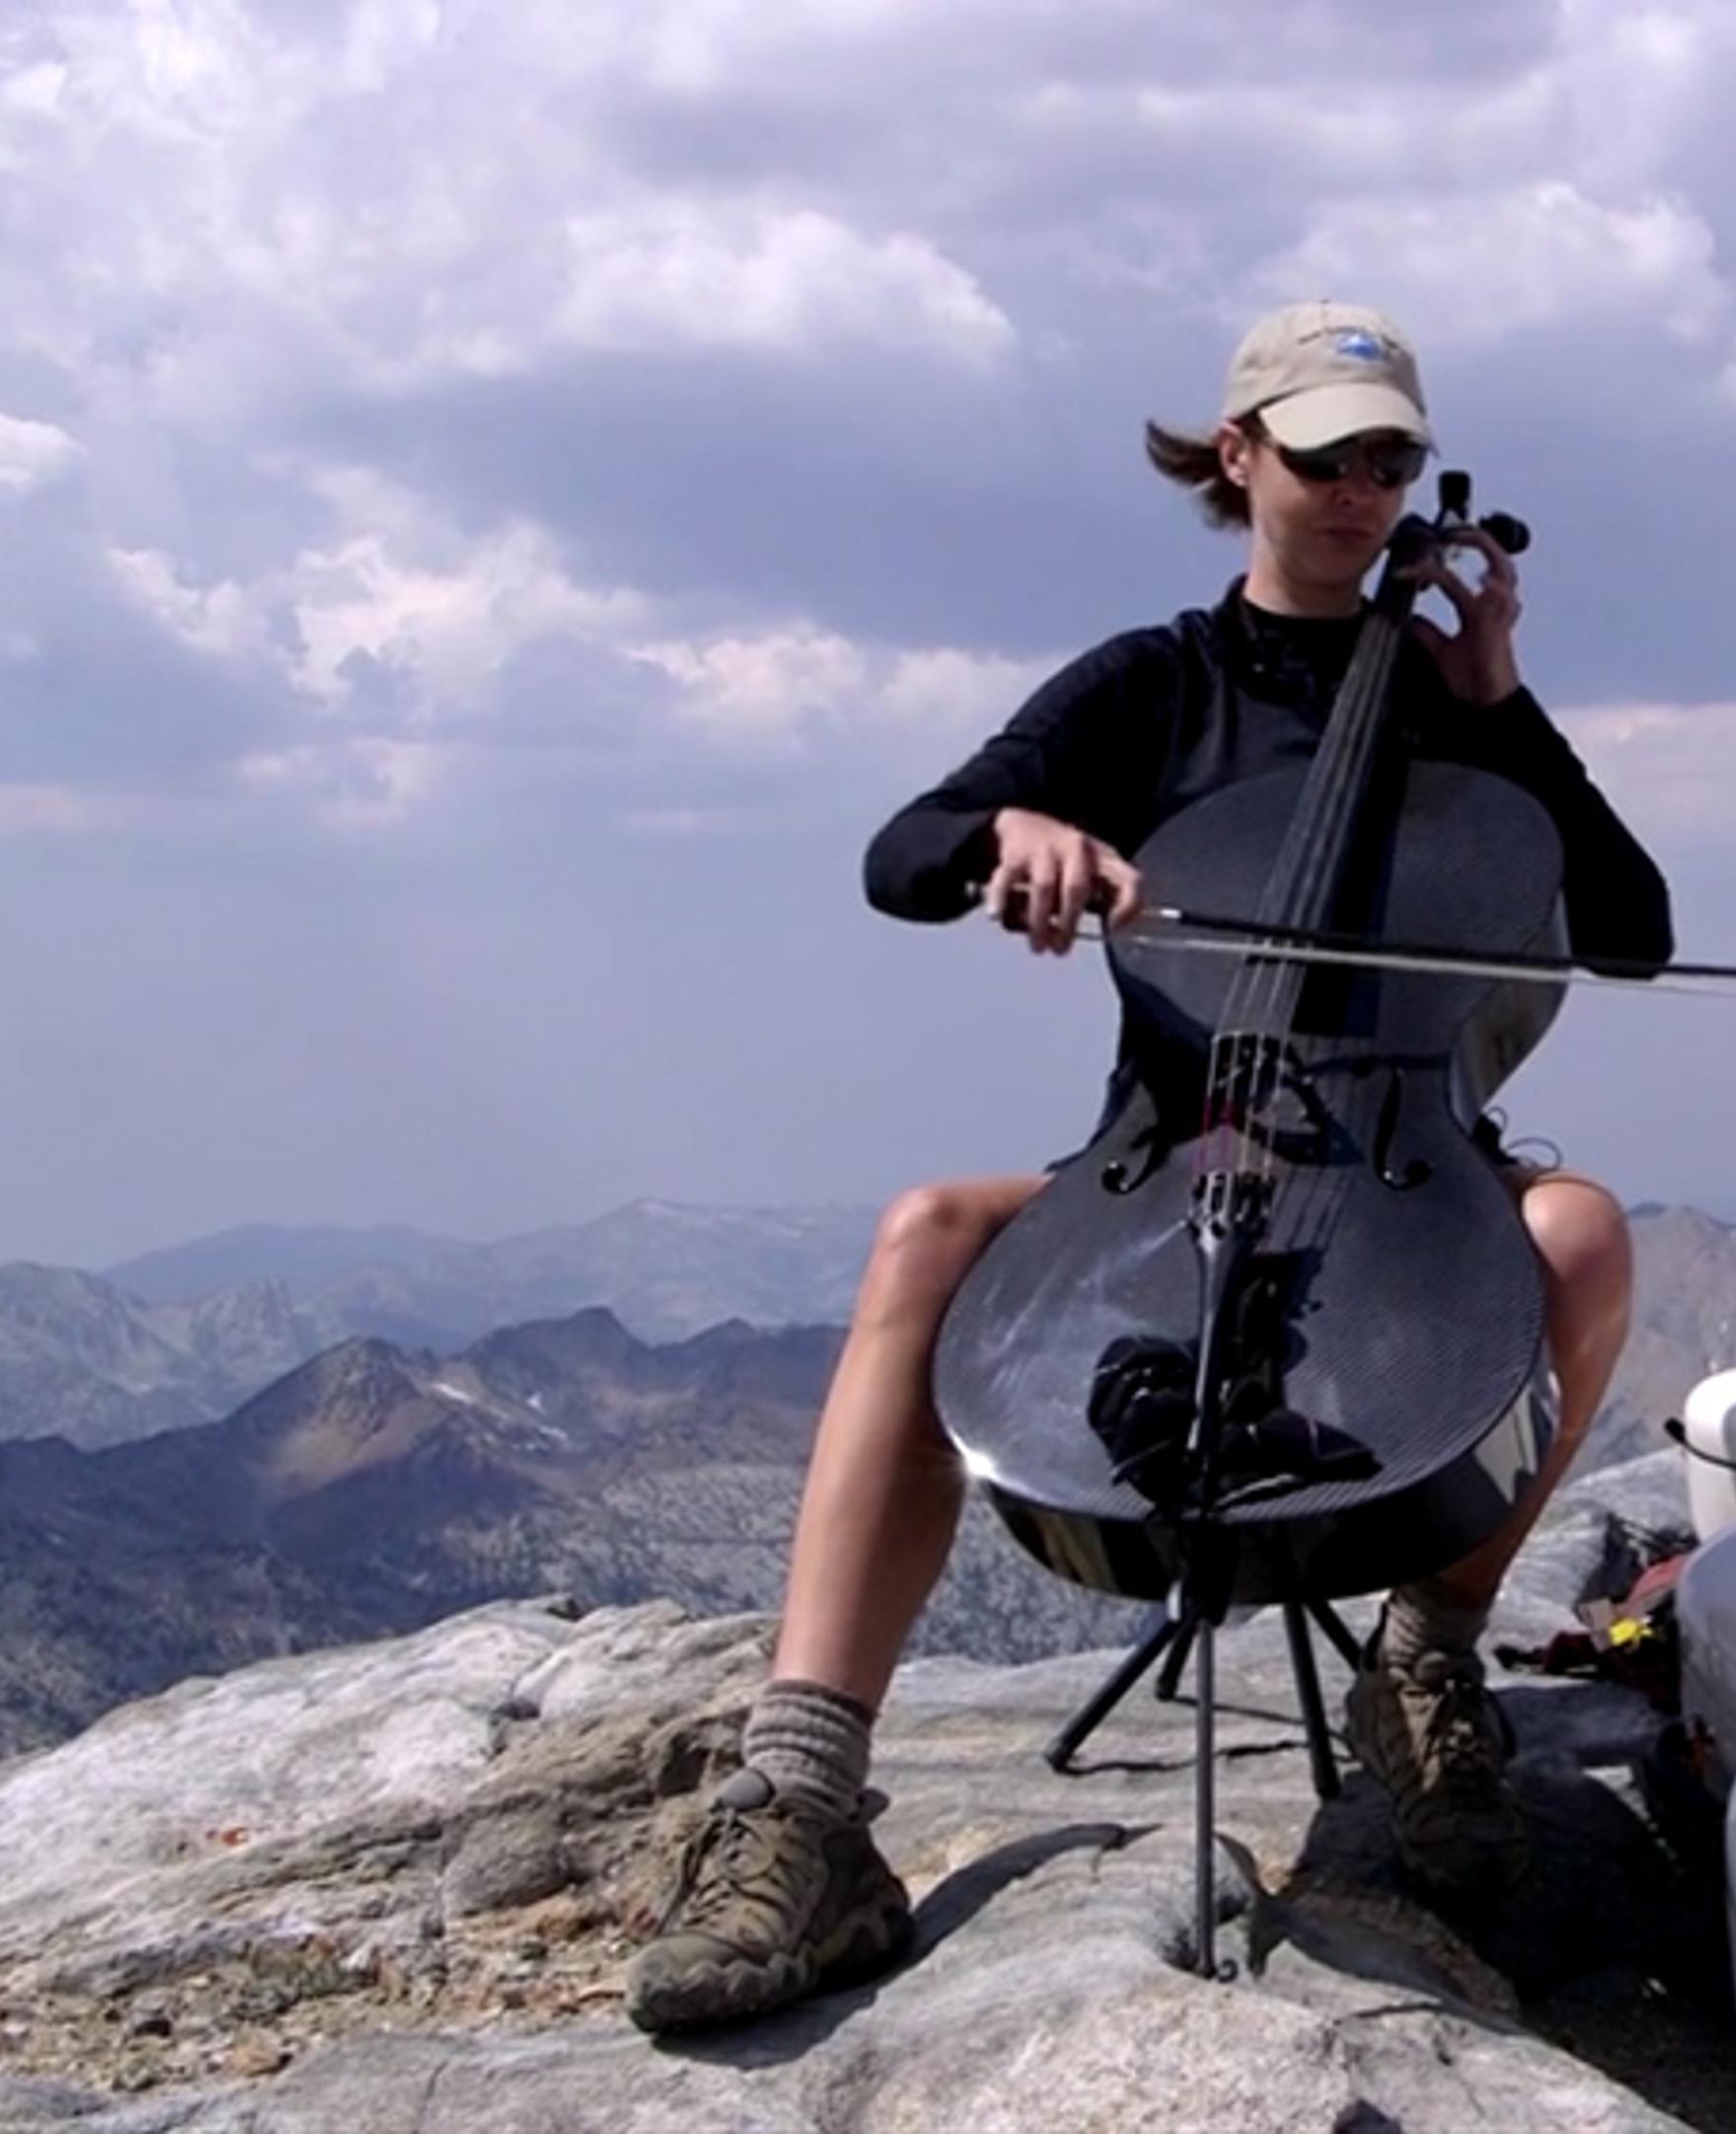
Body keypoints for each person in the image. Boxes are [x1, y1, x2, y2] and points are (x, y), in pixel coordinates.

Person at [623, 300, 1673, 2035]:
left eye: (1389, 461)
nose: (1358, 490)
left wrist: (1501, 706)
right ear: (1238, 453)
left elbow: (1632, 932)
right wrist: (1007, 832)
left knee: (1581, 1235)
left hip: (1402, 1180)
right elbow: (903, 855)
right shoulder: (1154, 682)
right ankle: (805, 1808)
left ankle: (1428, 1661)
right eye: (1323, 454)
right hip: (1163, 1160)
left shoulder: (1459, 703)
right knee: (923, 1233)